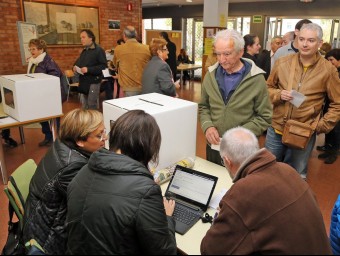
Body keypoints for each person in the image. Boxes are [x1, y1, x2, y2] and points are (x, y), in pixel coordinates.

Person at [200, 127, 332, 255]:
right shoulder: (288, 170)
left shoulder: (242, 192)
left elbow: (209, 250)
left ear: (228, 162)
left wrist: (219, 217)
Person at [66, 110, 177, 255]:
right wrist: (168, 218)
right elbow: (165, 252)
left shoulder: (81, 173)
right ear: (146, 146)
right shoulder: (145, 191)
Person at [23, 108, 106, 254]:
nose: (104, 138)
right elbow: (95, 204)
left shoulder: (64, 143)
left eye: (104, 132)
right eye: (99, 135)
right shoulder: (71, 167)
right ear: (80, 141)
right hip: (50, 238)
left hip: (38, 219)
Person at [265, 23, 340, 179]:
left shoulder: (328, 69)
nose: (305, 44)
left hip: (304, 131)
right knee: (266, 171)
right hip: (277, 128)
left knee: (297, 176)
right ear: (297, 40)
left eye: (311, 40)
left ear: (320, 43)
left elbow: (337, 104)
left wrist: (320, 126)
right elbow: (267, 88)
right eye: (301, 39)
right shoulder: (283, 62)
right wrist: (278, 94)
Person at [199, 29, 272, 165]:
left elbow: (264, 117)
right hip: (214, 147)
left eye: (227, 54)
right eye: (218, 54)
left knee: (240, 184)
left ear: (240, 52)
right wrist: (207, 126)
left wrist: (239, 135)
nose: (221, 59)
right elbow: (204, 107)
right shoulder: (210, 76)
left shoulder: (256, 79)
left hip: (242, 150)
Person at [27, 39, 64, 147]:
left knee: (54, 117)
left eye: (33, 49)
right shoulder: (33, 61)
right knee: (41, 117)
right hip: (39, 94)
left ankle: (56, 138)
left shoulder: (48, 61)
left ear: (41, 49)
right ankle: (48, 136)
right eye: (30, 49)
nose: (31, 51)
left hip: (52, 94)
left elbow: (55, 76)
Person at [73, 29, 107, 109]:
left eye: (83, 37)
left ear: (91, 38)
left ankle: (94, 121)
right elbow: (78, 63)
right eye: (81, 38)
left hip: (93, 81)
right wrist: (74, 67)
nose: (81, 39)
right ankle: (86, 121)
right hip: (84, 81)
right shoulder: (84, 50)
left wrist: (89, 69)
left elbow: (103, 66)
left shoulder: (99, 50)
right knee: (84, 105)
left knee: (92, 105)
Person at [317, 48, 340, 164]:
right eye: (327, 60)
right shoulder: (330, 72)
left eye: (332, 60)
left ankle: (334, 152)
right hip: (328, 104)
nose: (329, 63)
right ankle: (327, 147)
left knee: (336, 130)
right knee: (328, 128)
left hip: (337, 107)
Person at [113, 26, 151, 97]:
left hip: (128, 87)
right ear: (136, 36)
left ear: (124, 35)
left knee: (130, 107)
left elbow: (115, 66)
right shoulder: (147, 48)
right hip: (145, 85)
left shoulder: (119, 49)